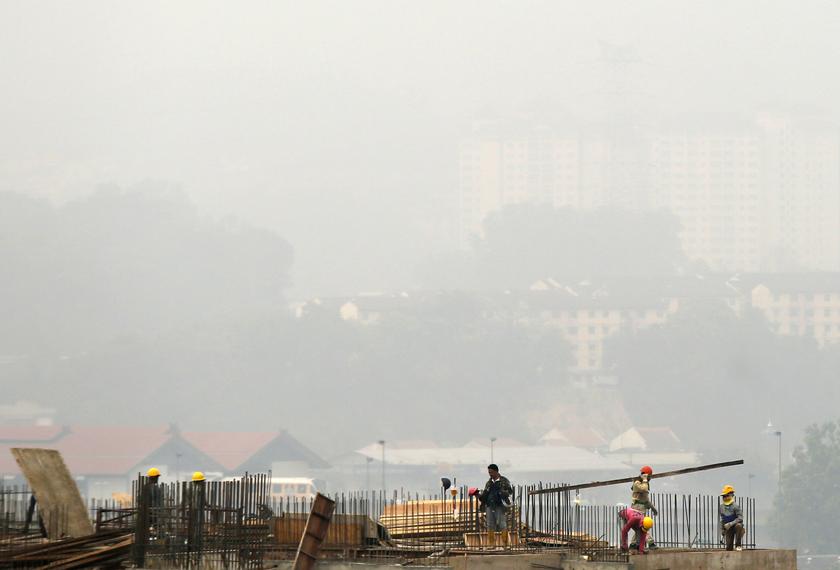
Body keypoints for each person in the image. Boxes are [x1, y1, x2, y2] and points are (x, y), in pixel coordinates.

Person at [624, 466, 658, 550]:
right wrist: (645, 479)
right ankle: (651, 542)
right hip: (636, 508)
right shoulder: (637, 483)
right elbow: (644, 489)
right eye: (649, 476)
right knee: (642, 526)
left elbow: (646, 500)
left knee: (639, 527)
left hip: (642, 508)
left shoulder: (644, 483)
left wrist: (653, 508)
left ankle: (633, 544)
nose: (650, 478)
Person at [478, 464, 513, 542]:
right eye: (489, 472)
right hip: (490, 506)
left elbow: (510, 492)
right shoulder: (489, 483)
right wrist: (478, 495)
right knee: (490, 525)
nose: (490, 474)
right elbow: (484, 495)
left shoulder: (504, 481)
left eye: (491, 472)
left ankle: (505, 544)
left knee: (502, 524)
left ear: (496, 471)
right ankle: (491, 544)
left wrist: (502, 492)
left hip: (500, 506)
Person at [719, 485, 745, 551]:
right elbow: (722, 519)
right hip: (728, 528)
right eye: (724, 496)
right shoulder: (721, 507)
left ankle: (738, 545)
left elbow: (740, 518)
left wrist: (730, 524)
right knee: (729, 548)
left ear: (731, 495)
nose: (725, 498)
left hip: (736, 526)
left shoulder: (735, 506)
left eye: (727, 495)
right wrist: (723, 529)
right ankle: (730, 545)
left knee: (739, 526)